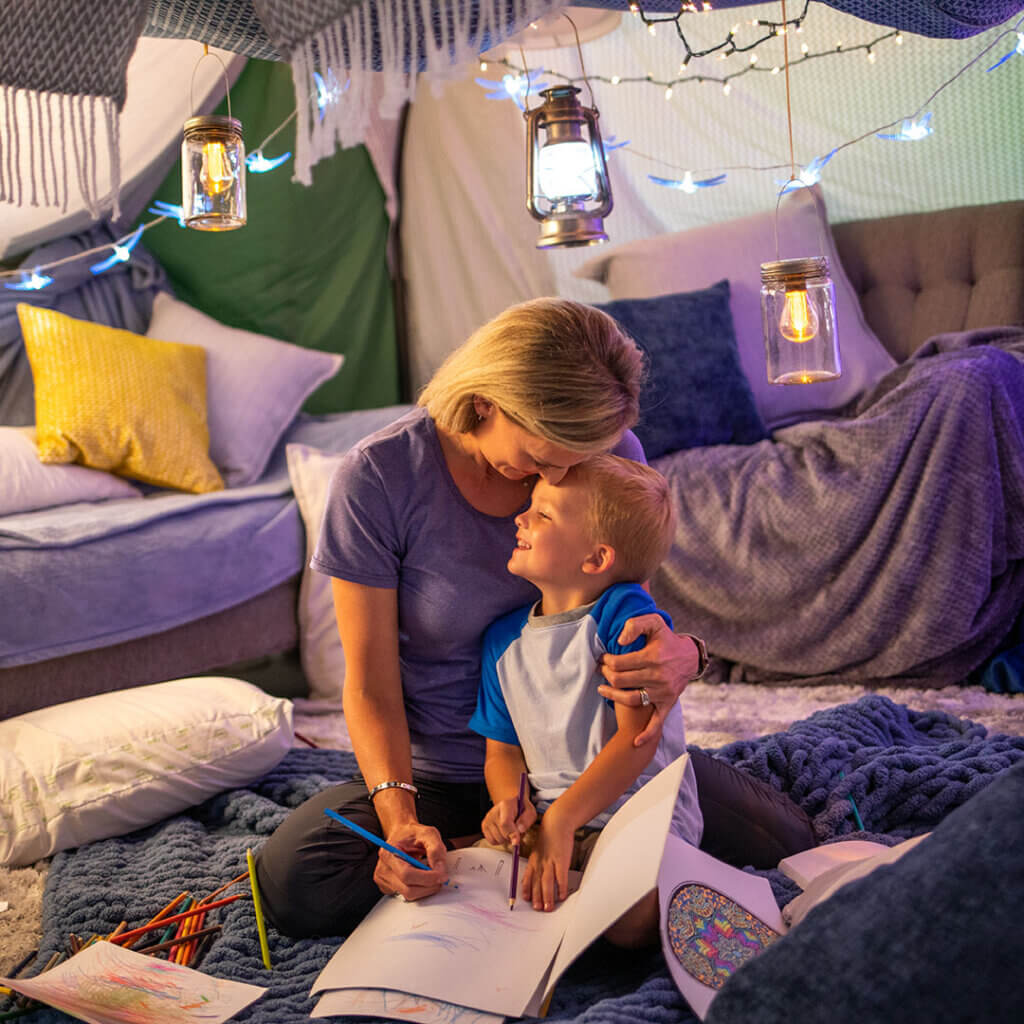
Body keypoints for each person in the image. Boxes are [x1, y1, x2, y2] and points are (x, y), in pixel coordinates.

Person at [254, 297, 704, 938]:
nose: (552, 475)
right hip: (440, 773)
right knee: (297, 881)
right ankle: (482, 844)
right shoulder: (379, 478)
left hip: (587, 764)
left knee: (767, 837)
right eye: (543, 453)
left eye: (572, 458)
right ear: (489, 400)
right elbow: (370, 685)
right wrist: (400, 822)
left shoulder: (601, 452)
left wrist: (687, 651)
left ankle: (545, 844)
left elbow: (629, 616)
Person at [470, 454, 702, 947]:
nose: (521, 517)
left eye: (543, 514)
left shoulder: (625, 613)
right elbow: (502, 753)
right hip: (552, 819)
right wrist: (509, 803)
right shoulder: (500, 642)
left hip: (632, 813)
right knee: (467, 881)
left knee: (634, 919)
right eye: (530, 506)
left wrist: (563, 820)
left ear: (596, 559)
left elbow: (637, 740)